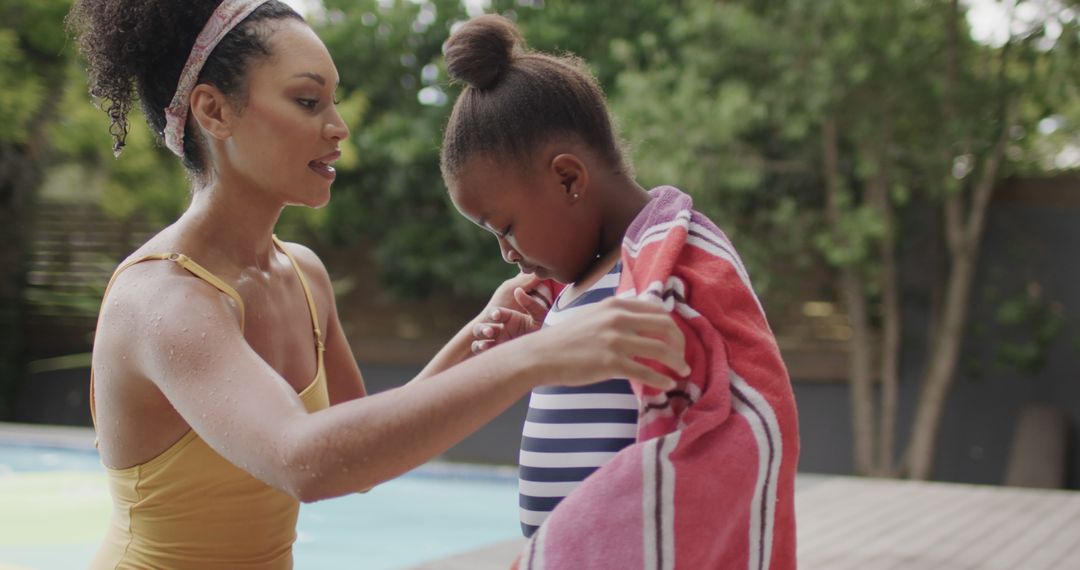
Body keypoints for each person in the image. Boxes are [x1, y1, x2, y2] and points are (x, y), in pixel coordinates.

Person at [66, 1, 689, 568]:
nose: (339, 127)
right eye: (309, 102)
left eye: (335, 102)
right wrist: (538, 357)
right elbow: (305, 461)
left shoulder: (302, 273)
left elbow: (359, 451)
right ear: (214, 110)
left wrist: (482, 341)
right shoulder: (164, 300)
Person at [440, 15, 800, 569]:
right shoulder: (572, 287)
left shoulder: (670, 270)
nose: (506, 254)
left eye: (505, 228)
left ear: (568, 178)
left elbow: (733, 417)